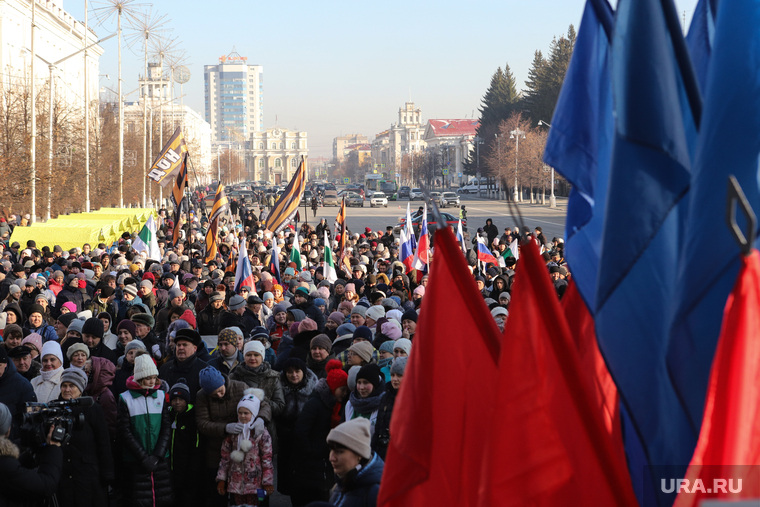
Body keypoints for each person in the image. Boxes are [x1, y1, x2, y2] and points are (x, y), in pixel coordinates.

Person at [117, 354, 173, 507]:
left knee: (162, 497)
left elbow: (166, 427)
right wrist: (143, 457)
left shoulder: (160, 396)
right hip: (136, 459)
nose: (152, 381)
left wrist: (157, 455)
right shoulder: (125, 398)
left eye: (154, 377)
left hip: (159, 459)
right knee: (139, 499)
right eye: (148, 377)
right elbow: (124, 430)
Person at [292, 359, 348, 506]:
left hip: (323, 461)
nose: (344, 393)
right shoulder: (316, 403)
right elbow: (301, 430)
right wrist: (312, 451)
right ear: (334, 387)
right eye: (342, 388)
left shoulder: (335, 404)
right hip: (313, 463)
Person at [56, 367, 114, 507]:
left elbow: (103, 443)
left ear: (80, 389)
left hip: (88, 476)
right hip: (63, 476)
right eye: (64, 385)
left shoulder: (93, 409)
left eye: (72, 386)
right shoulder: (55, 408)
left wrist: (107, 474)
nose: (67, 389)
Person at [215, 390, 274, 506]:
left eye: (246, 413)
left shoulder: (262, 433)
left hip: (257, 485)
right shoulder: (233, 432)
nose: (242, 416)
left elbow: (267, 459)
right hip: (236, 485)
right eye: (240, 413)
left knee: (259, 504)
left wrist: (267, 481)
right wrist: (222, 479)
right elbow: (225, 458)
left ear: (254, 413)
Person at [0, 402, 64, 506]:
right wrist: (54, 447)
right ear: (8, 430)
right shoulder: (5, 464)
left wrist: (31, 453)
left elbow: (16, 473)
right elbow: (46, 486)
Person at [275, 357, 318, 500]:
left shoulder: (314, 389)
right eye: (290, 372)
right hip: (286, 442)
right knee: (292, 485)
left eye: (297, 371)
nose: (294, 375)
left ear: (303, 372)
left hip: (307, 441)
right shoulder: (278, 388)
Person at [326, 418, 385, 506]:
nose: (332, 458)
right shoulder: (341, 484)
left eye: (339, 452)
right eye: (331, 450)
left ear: (359, 454)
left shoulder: (375, 492)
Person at [167, 380, 203, 507]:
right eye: (174, 399)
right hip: (170, 469)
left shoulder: (192, 416)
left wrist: (193, 468)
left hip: (188, 470)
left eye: (181, 399)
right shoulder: (167, 415)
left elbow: (196, 445)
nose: (177, 402)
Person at [372, 357, 406, 460]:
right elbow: (378, 427)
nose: (395, 379)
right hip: (382, 452)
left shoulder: (412, 399)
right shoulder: (385, 396)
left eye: (399, 375)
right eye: (392, 375)